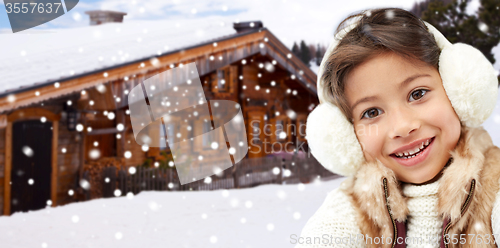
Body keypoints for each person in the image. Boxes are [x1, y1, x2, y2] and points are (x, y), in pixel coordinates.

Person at [294, 7, 500, 248]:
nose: (402, 127)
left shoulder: (494, 186)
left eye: (417, 93)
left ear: (456, 90)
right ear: (348, 134)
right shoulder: (351, 209)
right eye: (371, 112)